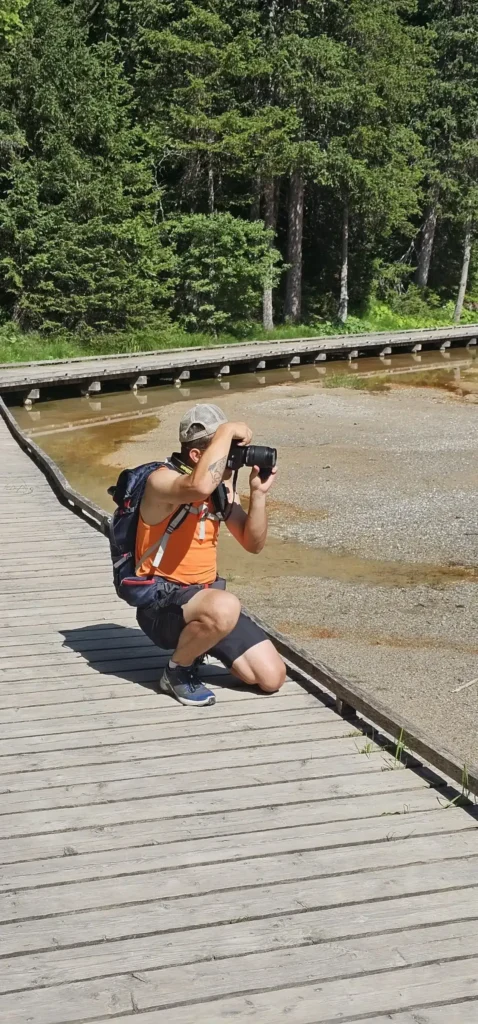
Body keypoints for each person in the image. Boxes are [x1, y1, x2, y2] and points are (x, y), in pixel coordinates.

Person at [135, 403, 286, 706]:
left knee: (271, 677)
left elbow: (253, 543)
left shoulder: (219, 491)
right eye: (228, 449)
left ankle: (203, 639)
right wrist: (228, 430)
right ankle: (176, 672)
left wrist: (258, 495)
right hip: (161, 605)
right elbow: (199, 485)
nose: (234, 457)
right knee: (226, 606)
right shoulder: (160, 482)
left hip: (206, 602)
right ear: (196, 456)